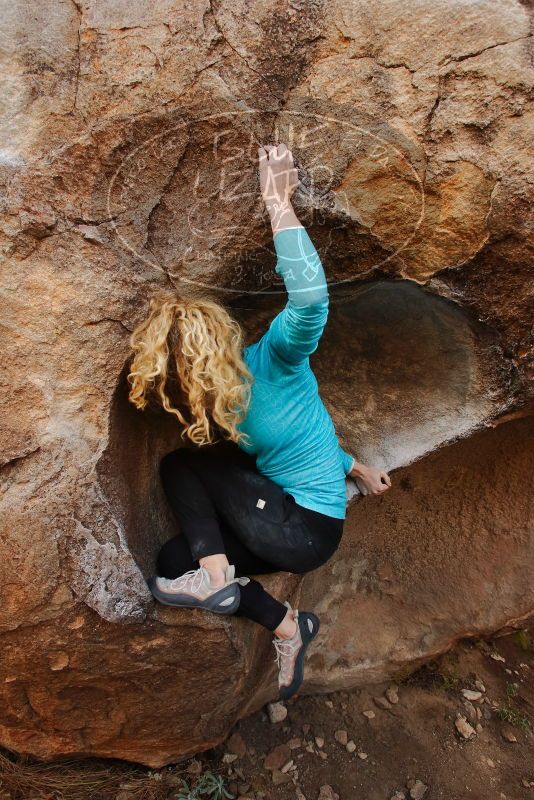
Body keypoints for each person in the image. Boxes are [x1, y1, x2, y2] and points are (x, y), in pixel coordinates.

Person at [126, 143, 392, 700]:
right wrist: (357, 466)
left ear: (223, 342)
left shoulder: (274, 359)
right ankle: (290, 625)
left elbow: (311, 299)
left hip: (308, 526)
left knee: (182, 468)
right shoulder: (216, 405)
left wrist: (277, 200)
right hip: (273, 519)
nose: (191, 378)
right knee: (173, 566)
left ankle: (220, 580)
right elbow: (298, 436)